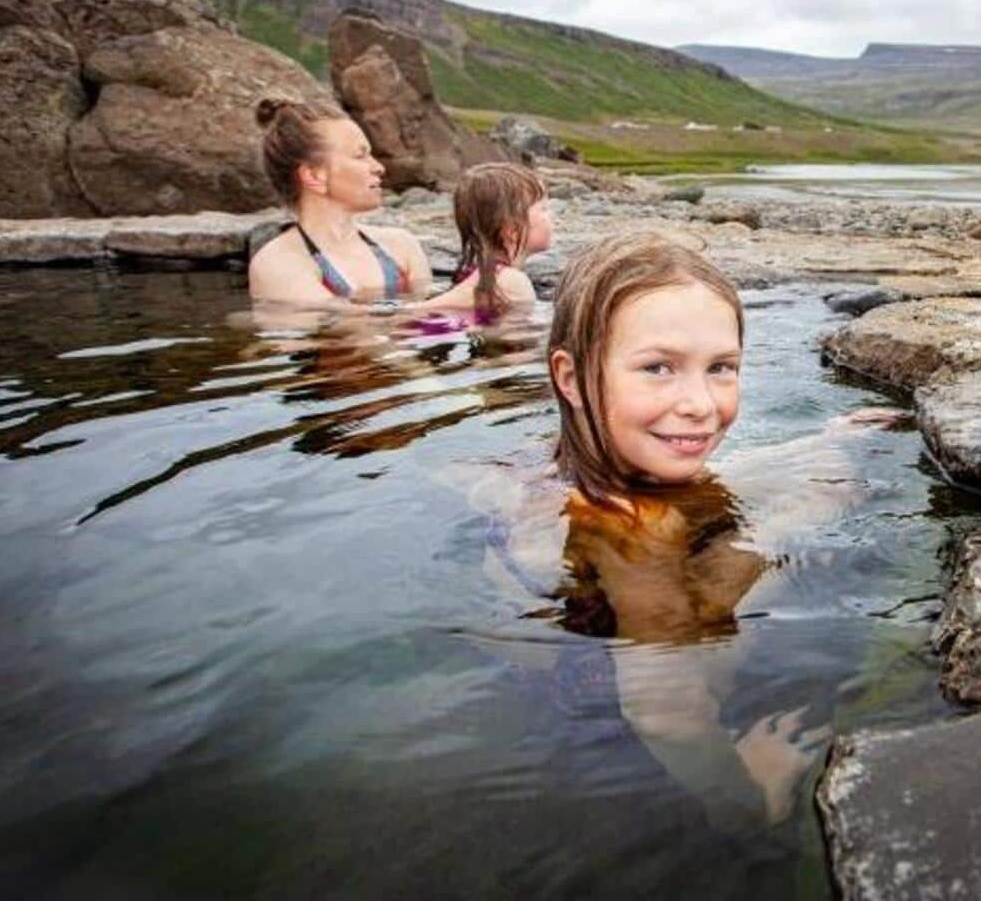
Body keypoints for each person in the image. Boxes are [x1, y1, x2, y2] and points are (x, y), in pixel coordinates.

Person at [474, 232, 898, 833]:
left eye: (721, 368)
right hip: (612, 736)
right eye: (658, 368)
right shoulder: (634, 531)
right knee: (782, 540)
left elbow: (708, 481)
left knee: (774, 503)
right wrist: (749, 797)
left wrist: (822, 446)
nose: (700, 403)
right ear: (569, 377)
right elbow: (665, 714)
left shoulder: (558, 474)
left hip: (560, 661)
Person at [247, 99, 434, 307]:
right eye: (360, 155)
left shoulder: (402, 246)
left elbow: (429, 329)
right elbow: (346, 326)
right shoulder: (277, 263)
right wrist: (457, 299)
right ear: (314, 176)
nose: (378, 167)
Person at [420, 162, 553, 321]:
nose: (552, 216)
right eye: (543, 209)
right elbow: (517, 340)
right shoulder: (511, 282)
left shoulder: (486, 277)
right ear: (511, 230)